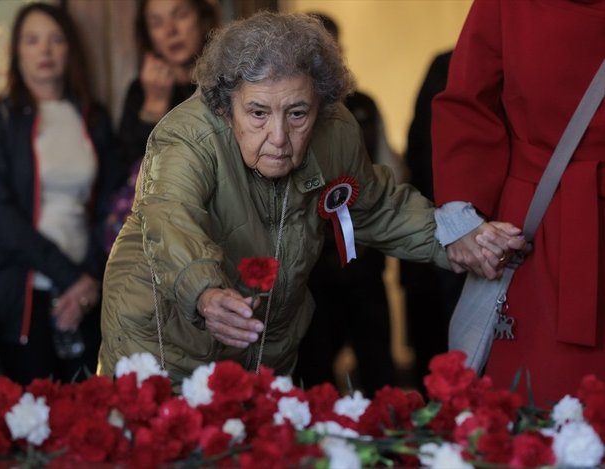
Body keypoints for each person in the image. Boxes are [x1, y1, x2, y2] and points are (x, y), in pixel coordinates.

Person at [97, 11, 524, 383]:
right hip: (162, 340)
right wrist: (205, 292)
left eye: (297, 113)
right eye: (259, 113)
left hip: (263, 341)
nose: (279, 138)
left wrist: (454, 238)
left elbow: (375, 206)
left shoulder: (335, 132)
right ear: (227, 108)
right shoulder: (187, 136)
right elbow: (171, 218)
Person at [431, 0, 605, 406]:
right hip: (538, 227)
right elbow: (467, 103)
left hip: (537, 214)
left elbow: (467, 105)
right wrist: (463, 217)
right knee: (533, 399)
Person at [0, 2, 118, 385]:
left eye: (56, 39)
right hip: (23, 293)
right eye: (32, 40)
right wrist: (70, 276)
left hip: (86, 292)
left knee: (91, 418)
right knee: (33, 420)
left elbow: (112, 210)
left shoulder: (93, 119)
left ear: (70, 49)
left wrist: (90, 280)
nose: (45, 50)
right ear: (17, 51)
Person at [293, 12, 406, 395]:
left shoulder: (362, 107)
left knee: (379, 372)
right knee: (315, 376)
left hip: (362, 261)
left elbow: (393, 175)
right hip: (309, 272)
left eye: (332, 49)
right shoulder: (287, 112)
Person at [105, 0, 220, 251]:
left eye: (180, 15)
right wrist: (155, 103)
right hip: (164, 235)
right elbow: (131, 172)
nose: (170, 30)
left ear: (201, 19)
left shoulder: (226, 80)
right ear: (149, 35)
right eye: (156, 23)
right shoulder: (140, 90)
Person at [400, 49, 465, 395]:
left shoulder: (448, 63)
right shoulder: (449, 65)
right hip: (450, 221)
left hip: (450, 218)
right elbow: (422, 150)